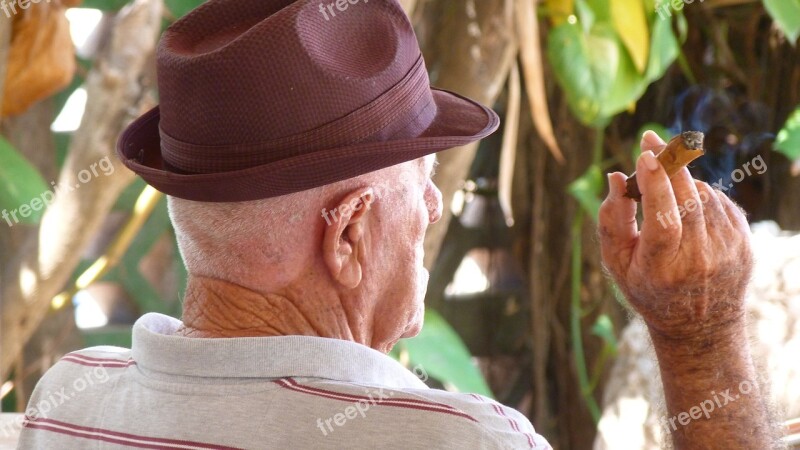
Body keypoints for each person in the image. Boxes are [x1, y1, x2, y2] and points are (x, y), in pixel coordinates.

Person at [16, 0, 776, 449]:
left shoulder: (66, 403)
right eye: (422, 180)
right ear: (348, 235)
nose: (439, 204)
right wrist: (698, 338)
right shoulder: (457, 442)